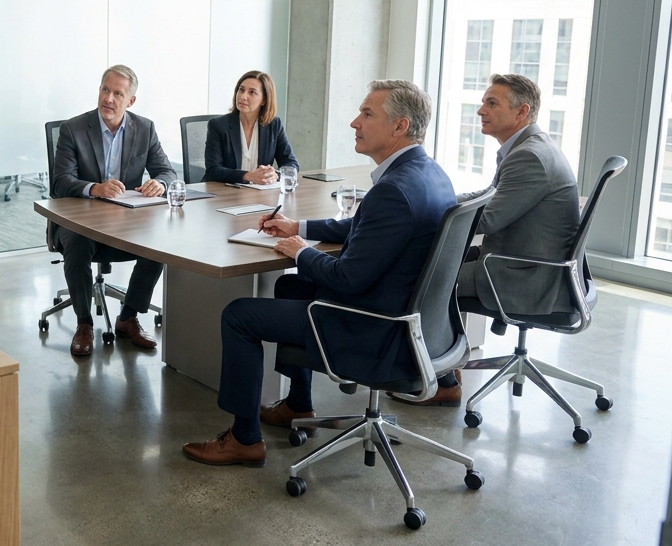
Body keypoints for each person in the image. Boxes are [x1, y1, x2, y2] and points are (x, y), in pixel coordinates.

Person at [182, 80, 456, 467]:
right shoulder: (428, 174)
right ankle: (298, 403)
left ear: (400, 126)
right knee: (291, 284)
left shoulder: (393, 190)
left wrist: (302, 252)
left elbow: (347, 279)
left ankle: (244, 439)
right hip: (413, 320)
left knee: (239, 315)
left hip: (373, 328)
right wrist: (300, 229)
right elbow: (363, 230)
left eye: (367, 114)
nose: (353, 123)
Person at [392, 73, 580, 407]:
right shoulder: (527, 146)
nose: (481, 110)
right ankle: (440, 368)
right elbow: (489, 196)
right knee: (435, 263)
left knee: (425, 280)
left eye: (492, 103)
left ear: (521, 112)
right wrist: (443, 200)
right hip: (522, 258)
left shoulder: (530, 157)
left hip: (526, 275)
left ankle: (440, 379)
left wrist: (428, 212)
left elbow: (488, 219)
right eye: (483, 102)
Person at [50, 65, 178, 358]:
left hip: (125, 223)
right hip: (79, 220)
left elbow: (167, 172)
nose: (108, 98)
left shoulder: (144, 128)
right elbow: (60, 183)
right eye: (104, 90)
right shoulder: (74, 128)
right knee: (78, 242)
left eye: (117, 93)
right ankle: (83, 324)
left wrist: (159, 183)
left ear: (130, 101)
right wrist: (95, 188)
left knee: (159, 244)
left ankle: (128, 316)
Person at [203, 70, 298, 185]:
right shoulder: (218, 125)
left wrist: (275, 175)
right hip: (224, 194)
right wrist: (248, 176)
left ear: (264, 100)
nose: (243, 96)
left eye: (252, 92)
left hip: (259, 193)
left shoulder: (274, 125)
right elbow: (213, 170)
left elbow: (291, 164)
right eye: (241, 90)